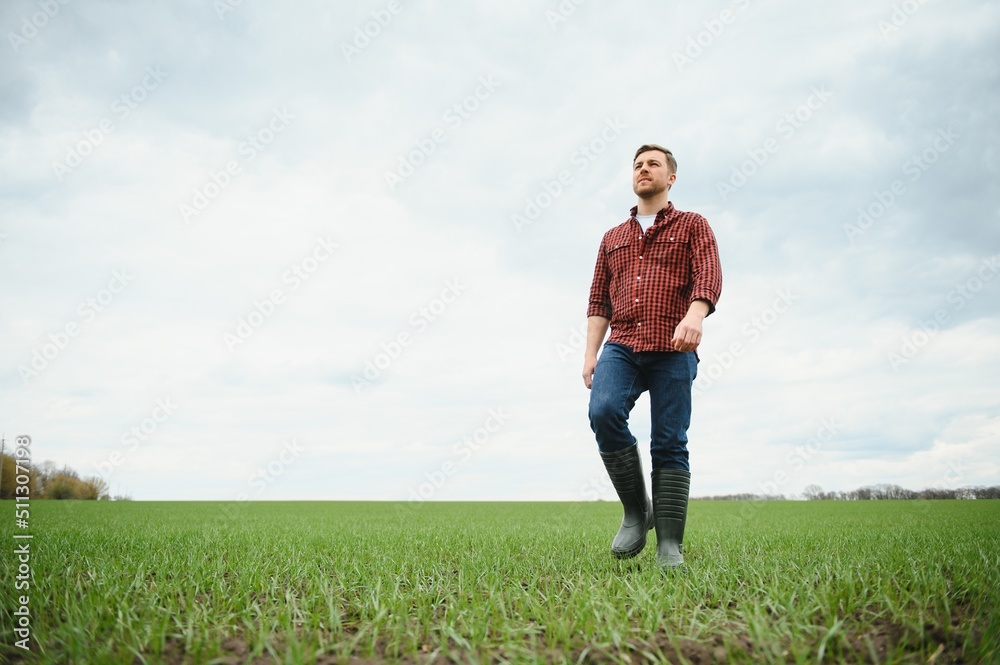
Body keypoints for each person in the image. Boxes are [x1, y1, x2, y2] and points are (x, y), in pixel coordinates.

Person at [583, 144, 722, 567]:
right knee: (603, 411)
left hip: (674, 347)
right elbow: (597, 301)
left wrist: (696, 314)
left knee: (669, 441)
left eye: (653, 164)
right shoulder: (613, 238)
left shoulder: (693, 225)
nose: (644, 170)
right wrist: (590, 354)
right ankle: (636, 510)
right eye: (638, 165)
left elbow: (709, 275)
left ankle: (669, 543)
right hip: (622, 345)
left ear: (671, 177)